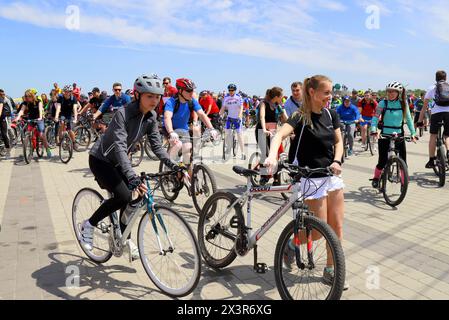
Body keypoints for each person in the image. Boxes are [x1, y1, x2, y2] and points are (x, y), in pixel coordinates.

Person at [81, 74, 180, 259]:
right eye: (149, 96)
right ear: (137, 95)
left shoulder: (151, 117)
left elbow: (157, 146)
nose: (154, 100)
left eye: (157, 97)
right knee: (124, 196)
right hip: (100, 160)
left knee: (138, 196)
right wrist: (131, 176)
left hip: (119, 161)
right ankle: (89, 224)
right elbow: (119, 146)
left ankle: (123, 238)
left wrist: (173, 165)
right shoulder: (123, 114)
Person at [264, 75, 348, 290]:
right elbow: (279, 136)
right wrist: (272, 156)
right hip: (310, 178)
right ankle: (291, 244)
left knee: (336, 227)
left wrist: (337, 160)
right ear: (312, 92)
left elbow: (338, 142)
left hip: (331, 175)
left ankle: (331, 271)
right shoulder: (300, 116)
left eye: (331, 92)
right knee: (318, 231)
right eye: (327, 92)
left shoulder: (332, 114)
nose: (330, 96)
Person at [370, 82, 417, 188]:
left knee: (403, 162)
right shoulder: (383, 103)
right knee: (382, 161)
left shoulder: (403, 103)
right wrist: (373, 129)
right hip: (385, 135)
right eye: (389, 91)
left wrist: (413, 133)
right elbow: (375, 117)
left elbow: (409, 119)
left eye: (393, 91)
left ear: (398, 93)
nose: (390, 93)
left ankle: (404, 184)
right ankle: (376, 178)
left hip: (399, 135)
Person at [163, 78, 217, 166]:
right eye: (188, 91)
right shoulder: (172, 102)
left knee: (187, 151)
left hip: (183, 129)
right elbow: (167, 117)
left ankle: (185, 175)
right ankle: (168, 165)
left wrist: (211, 129)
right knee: (178, 145)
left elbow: (202, 115)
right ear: (180, 91)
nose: (191, 93)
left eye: (192, 90)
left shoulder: (192, 101)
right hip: (170, 129)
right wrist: (171, 132)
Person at [256, 87, 288, 184]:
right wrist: (265, 129)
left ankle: (276, 178)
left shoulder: (277, 106)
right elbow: (262, 116)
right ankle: (264, 176)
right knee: (265, 153)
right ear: (276, 96)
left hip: (273, 131)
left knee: (276, 154)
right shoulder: (263, 103)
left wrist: (292, 129)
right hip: (262, 130)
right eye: (281, 96)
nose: (282, 98)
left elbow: (286, 119)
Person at [418, 70, 449, 168]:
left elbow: (424, 107)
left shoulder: (432, 88)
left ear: (435, 78)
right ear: (446, 78)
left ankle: (431, 160)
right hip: (448, 113)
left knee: (433, 136)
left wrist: (419, 121)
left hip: (436, 114)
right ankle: (448, 152)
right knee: (447, 136)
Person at [15, 89, 52, 157]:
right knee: (28, 132)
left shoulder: (38, 101)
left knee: (41, 134)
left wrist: (40, 117)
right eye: (26, 96)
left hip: (39, 118)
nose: (26, 98)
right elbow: (21, 110)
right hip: (31, 118)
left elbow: (40, 109)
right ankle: (31, 148)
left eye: (28, 96)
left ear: (31, 96)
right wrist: (17, 117)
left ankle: (47, 149)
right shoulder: (25, 102)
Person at [219, 84, 246, 160]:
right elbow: (223, 107)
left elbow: (241, 107)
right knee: (227, 133)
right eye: (229, 90)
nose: (231, 92)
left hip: (237, 118)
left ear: (235, 90)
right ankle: (228, 147)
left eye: (232, 90)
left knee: (239, 134)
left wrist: (240, 116)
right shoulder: (226, 98)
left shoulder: (238, 97)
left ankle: (243, 153)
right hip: (230, 118)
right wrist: (219, 115)